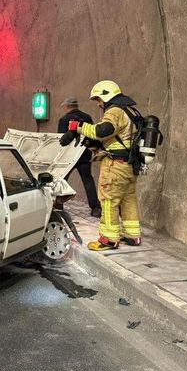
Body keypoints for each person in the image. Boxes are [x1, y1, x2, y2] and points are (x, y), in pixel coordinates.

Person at [59, 80, 141, 251]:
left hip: (115, 166)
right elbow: (119, 137)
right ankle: (133, 235)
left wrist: (78, 126)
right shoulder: (130, 111)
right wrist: (97, 145)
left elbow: (103, 130)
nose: (98, 104)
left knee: (109, 200)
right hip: (129, 164)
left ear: (106, 95)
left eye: (98, 100)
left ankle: (109, 240)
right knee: (128, 199)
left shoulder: (115, 111)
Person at [58, 97, 101, 218]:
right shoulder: (87, 118)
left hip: (68, 157)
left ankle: (58, 204)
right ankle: (95, 208)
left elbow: (60, 140)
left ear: (66, 107)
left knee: (62, 180)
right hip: (84, 154)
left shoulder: (64, 119)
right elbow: (92, 135)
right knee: (87, 179)